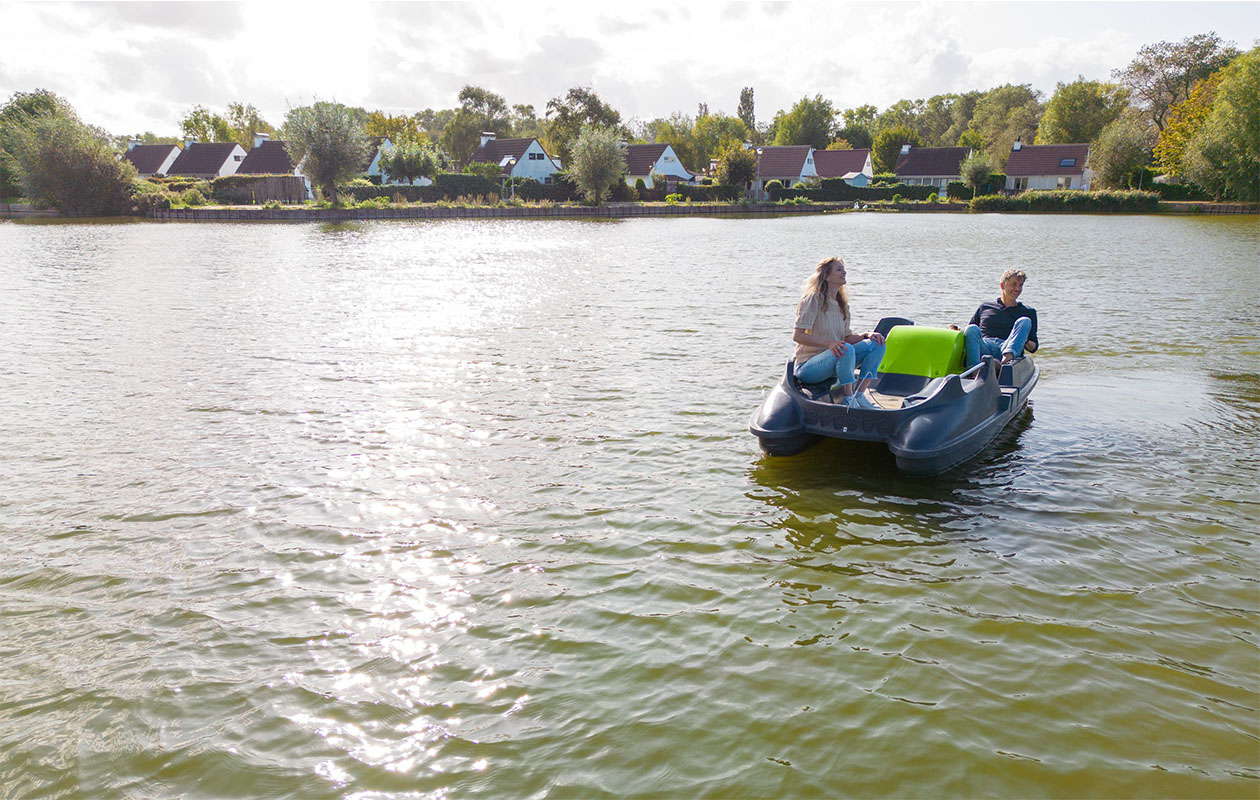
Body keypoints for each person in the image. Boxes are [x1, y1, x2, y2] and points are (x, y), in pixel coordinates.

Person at [792, 257, 887, 407]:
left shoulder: (842, 304)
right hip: (809, 367)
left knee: (877, 344)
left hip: (837, 360)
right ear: (827, 276)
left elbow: (846, 337)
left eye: (843, 268)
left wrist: (866, 335)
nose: (844, 272)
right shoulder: (812, 299)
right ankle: (849, 399)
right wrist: (829, 344)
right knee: (845, 348)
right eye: (839, 269)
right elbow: (797, 336)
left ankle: (859, 395)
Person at [962, 268, 1039, 368]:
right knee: (971, 328)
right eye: (1014, 284)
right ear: (1002, 285)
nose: (1018, 289)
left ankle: (1004, 364)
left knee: (1024, 321)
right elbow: (971, 335)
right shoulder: (985, 307)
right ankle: (975, 370)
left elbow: (1033, 347)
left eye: (1020, 285)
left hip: (1007, 347)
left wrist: (1022, 338)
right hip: (985, 346)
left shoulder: (1028, 312)